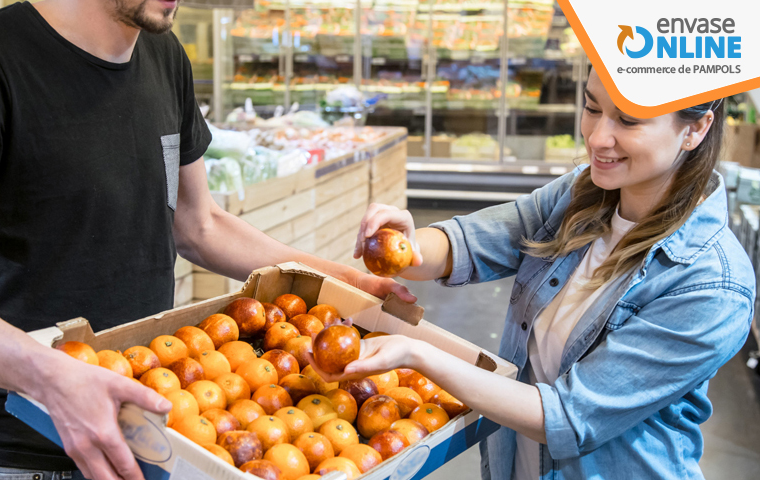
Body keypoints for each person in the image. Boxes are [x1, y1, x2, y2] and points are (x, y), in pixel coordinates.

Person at [0, 1, 414, 479]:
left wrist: (342, 280)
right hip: (23, 451)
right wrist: (50, 377)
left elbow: (199, 224)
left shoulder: (164, 54)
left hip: (153, 437)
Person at [309, 69, 755, 480]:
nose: (598, 137)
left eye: (629, 120)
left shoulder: (711, 285)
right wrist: (405, 246)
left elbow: (567, 417)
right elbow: (468, 243)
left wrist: (419, 353)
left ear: (695, 128)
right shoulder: (582, 193)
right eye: (592, 107)